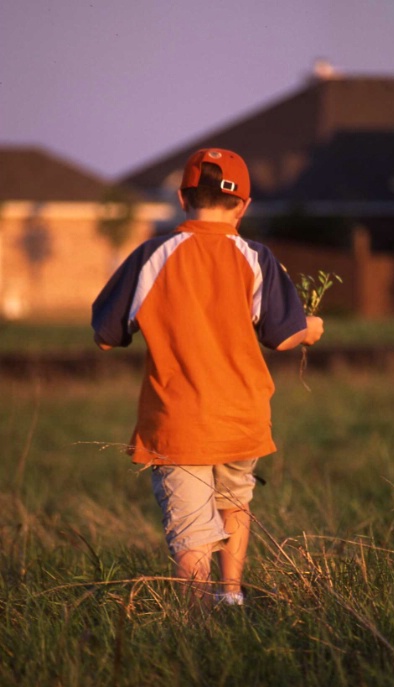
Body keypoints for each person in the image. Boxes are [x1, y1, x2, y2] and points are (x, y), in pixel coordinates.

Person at [92, 148, 323, 607]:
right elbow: (282, 336)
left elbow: (106, 334)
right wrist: (312, 329)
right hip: (243, 416)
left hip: (178, 422)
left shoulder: (152, 255)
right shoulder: (255, 256)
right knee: (235, 504)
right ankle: (230, 596)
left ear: (182, 198)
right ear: (244, 205)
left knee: (192, 530)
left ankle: (195, 623)